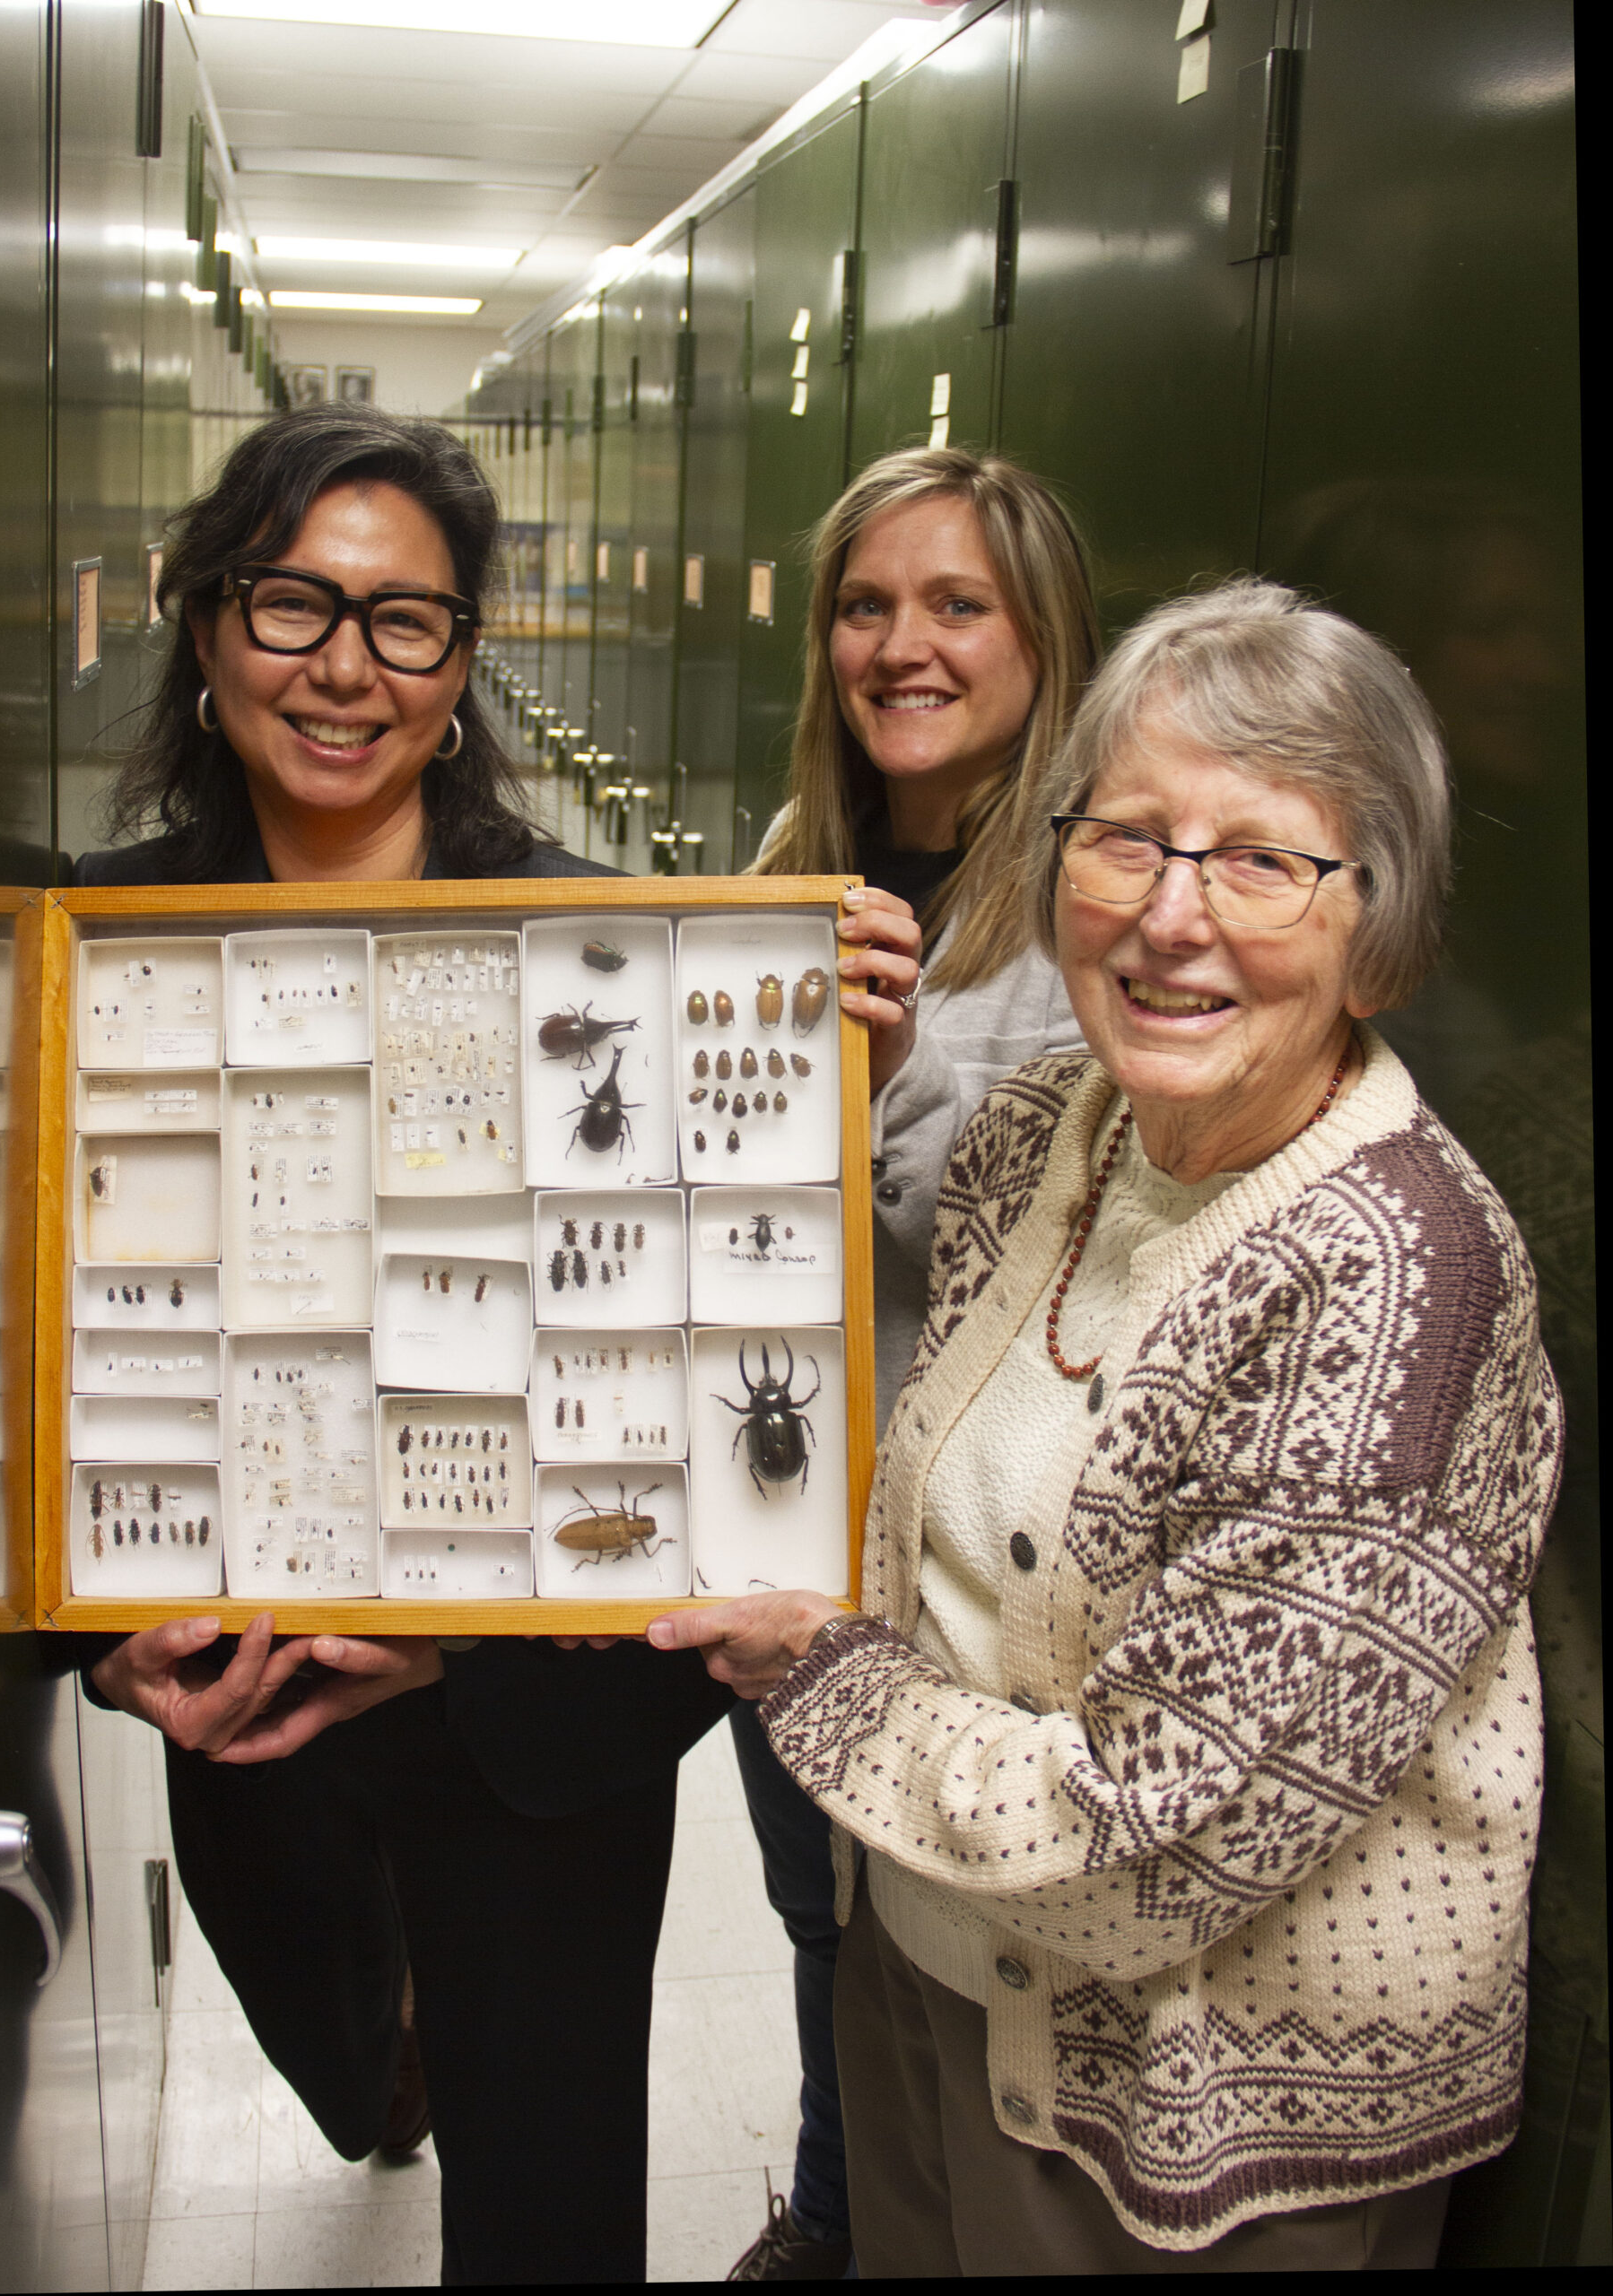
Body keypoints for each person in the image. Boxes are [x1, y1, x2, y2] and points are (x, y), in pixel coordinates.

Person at [655, 578, 1561, 2272]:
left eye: (1264, 859)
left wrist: (823, 1679)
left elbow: (1164, 1844)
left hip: (1210, 2116)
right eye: (1125, 839)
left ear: (1379, 924)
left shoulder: (1397, 1287)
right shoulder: (1040, 1138)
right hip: (927, 1978)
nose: (1168, 915)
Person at [77, 403, 731, 2285]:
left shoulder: (604, 954)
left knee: (547, 2210)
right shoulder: (91, 951)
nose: (346, 667)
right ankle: (393, 2051)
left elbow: (705, 1397)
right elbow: (24, 1359)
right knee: (334, 2047)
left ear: (460, 667)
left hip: (541, 1719)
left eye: (407, 621)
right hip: (246, 1684)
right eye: (294, 604)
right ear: (207, 626)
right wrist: (99, 1644)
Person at [728, 448, 1100, 2277]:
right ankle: (836, 2208)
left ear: (1045, 638)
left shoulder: (1095, 899)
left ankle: (868, 2228)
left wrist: (887, 1075)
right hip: (791, 1505)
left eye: (959, 605)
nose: (904, 645)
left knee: (940, 1928)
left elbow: (1060, 1236)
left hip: (970, 1554)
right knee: (821, 1908)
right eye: (866, 606)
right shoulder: (789, 860)